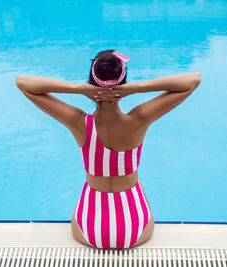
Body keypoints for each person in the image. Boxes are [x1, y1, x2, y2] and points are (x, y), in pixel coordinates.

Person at [16, 49, 201, 249]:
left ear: (90, 83)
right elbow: (193, 80)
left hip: (89, 231)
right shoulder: (139, 120)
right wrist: (137, 88)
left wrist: (78, 89)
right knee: (137, 184)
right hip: (135, 231)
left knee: (88, 191)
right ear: (124, 85)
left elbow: (23, 83)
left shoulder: (79, 122)